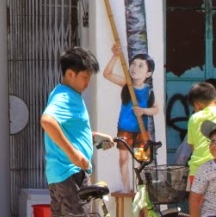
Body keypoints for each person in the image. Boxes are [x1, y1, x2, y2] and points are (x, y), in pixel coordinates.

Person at [40, 46, 114, 217]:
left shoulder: (69, 94)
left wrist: (93, 137)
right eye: (85, 77)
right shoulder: (64, 97)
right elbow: (47, 121)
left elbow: (69, 129)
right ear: (70, 74)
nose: (87, 82)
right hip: (70, 174)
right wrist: (73, 154)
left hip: (63, 174)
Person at [103, 44, 159, 193]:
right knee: (123, 159)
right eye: (133, 64)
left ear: (148, 73)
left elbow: (156, 109)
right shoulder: (127, 85)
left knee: (141, 161)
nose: (135, 68)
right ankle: (126, 189)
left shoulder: (148, 91)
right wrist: (115, 55)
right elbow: (107, 74)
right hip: (125, 129)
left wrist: (144, 111)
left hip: (141, 130)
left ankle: (141, 190)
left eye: (141, 66)